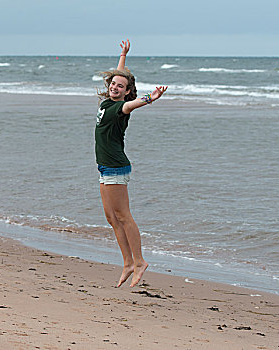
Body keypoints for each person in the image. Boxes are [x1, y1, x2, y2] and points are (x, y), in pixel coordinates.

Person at [95, 39, 168, 287]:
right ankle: (127, 262)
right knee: (111, 218)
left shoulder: (121, 109)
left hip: (116, 168)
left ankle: (139, 261)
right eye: (114, 84)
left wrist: (152, 97)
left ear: (127, 91)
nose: (116, 87)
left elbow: (135, 103)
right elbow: (120, 75)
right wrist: (123, 55)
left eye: (121, 86)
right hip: (105, 167)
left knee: (124, 216)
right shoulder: (107, 102)